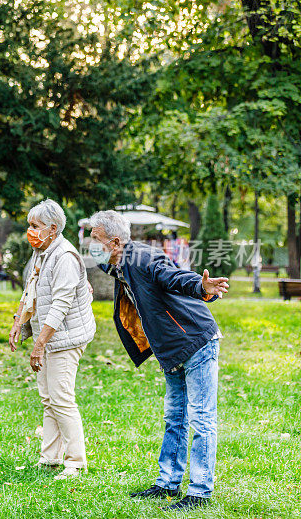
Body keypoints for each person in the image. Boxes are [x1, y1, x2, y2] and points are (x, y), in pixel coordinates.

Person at [87, 210, 229, 512]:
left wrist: (201, 287)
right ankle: (167, 484)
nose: (91, 244)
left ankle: (200, 492)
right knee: (174, 418)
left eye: (95, 238)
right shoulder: (119, 265)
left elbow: (173, 276)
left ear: (114, 242)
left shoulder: (140, 257)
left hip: (195, 342)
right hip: (171, 350)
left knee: (201, 418)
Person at [8, 199, 96, 480]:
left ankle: (76, 462)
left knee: (61, 398)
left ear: (53, 228)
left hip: (67, 337)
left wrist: (39, 344)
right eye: (29, 226)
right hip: (52, 336)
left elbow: (60, 304)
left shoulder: (65, 257)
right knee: (48, 399)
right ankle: (50, 458)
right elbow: (30, 289)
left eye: (35, 226)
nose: (30, 231)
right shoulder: (42, 251)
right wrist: (18, 323)